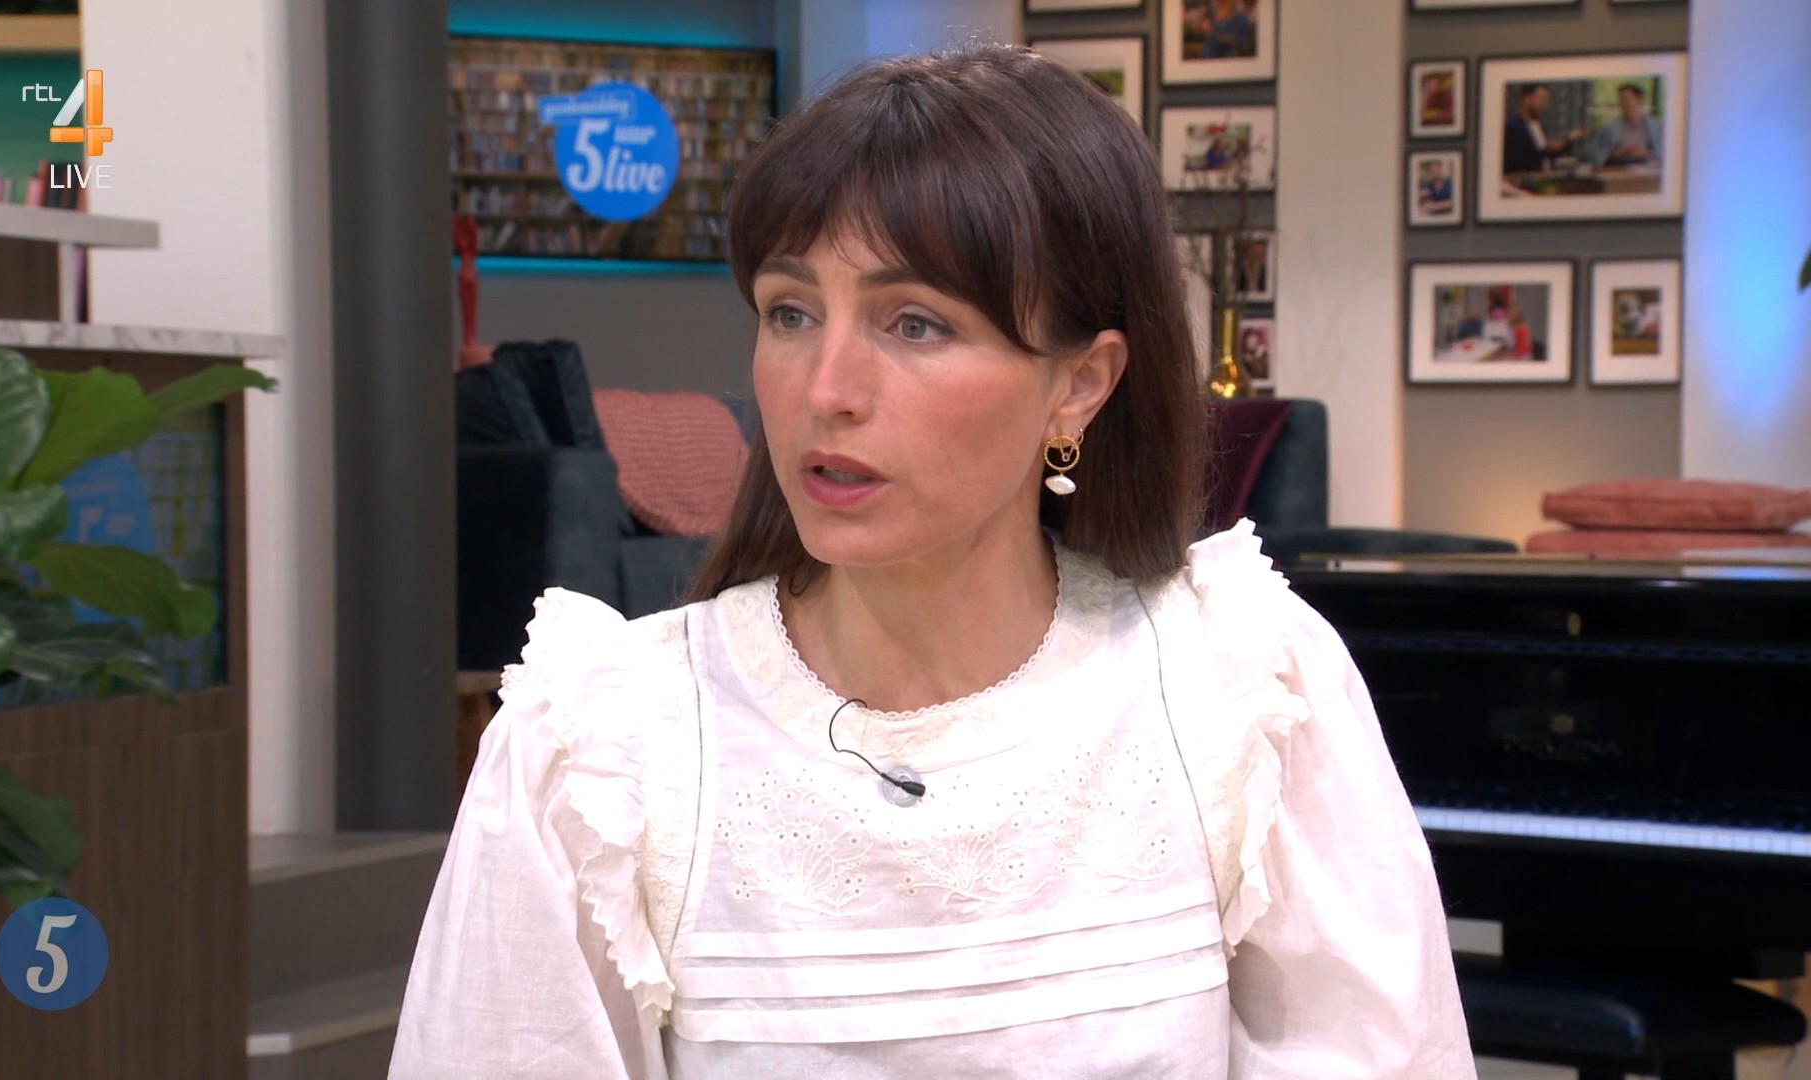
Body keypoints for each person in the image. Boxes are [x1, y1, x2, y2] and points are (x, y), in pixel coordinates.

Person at [389, 43, 1473, 1080]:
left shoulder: (1239, 696)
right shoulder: (602, 749)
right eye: (790, 312)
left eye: (913, 324)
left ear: (1079, 384)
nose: (825, 389)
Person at [1502, 83, 1586, 175]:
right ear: (1527, 99)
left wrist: (1569, 139)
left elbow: (1548, 153)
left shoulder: (1540, 125)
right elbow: (1525, 158)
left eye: (1546, 100)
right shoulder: (1512, 127)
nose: (1544, 104)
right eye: (1541, 99)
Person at [1583, 83, 1663, 169]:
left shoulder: (1655, 127)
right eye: (1621, 100)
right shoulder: (1610, 128)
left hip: (1648, 171)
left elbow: (1665, 155)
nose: (1624, 104)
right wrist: (1616, 154)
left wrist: (1647, 153)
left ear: (1639, 99)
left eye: (1627, 99)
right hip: (1618, 171)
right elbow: (1594, 157)